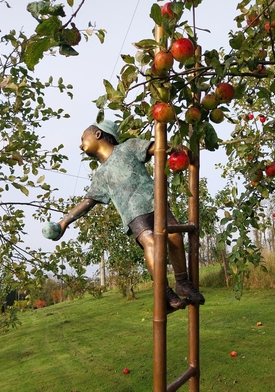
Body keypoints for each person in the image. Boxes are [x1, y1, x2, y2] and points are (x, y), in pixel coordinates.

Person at [46, 119, 205, 311]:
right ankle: (164, 292)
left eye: (82, 138)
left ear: (98, 134)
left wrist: (176, 150)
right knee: (152, 244)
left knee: (175, 236)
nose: (80, 144)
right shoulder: (100, 175)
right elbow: (88, 202)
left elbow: (157, 147)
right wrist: (64, 222)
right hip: (133, 214)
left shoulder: (128, 147)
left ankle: (182, 281)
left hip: (155, 203)